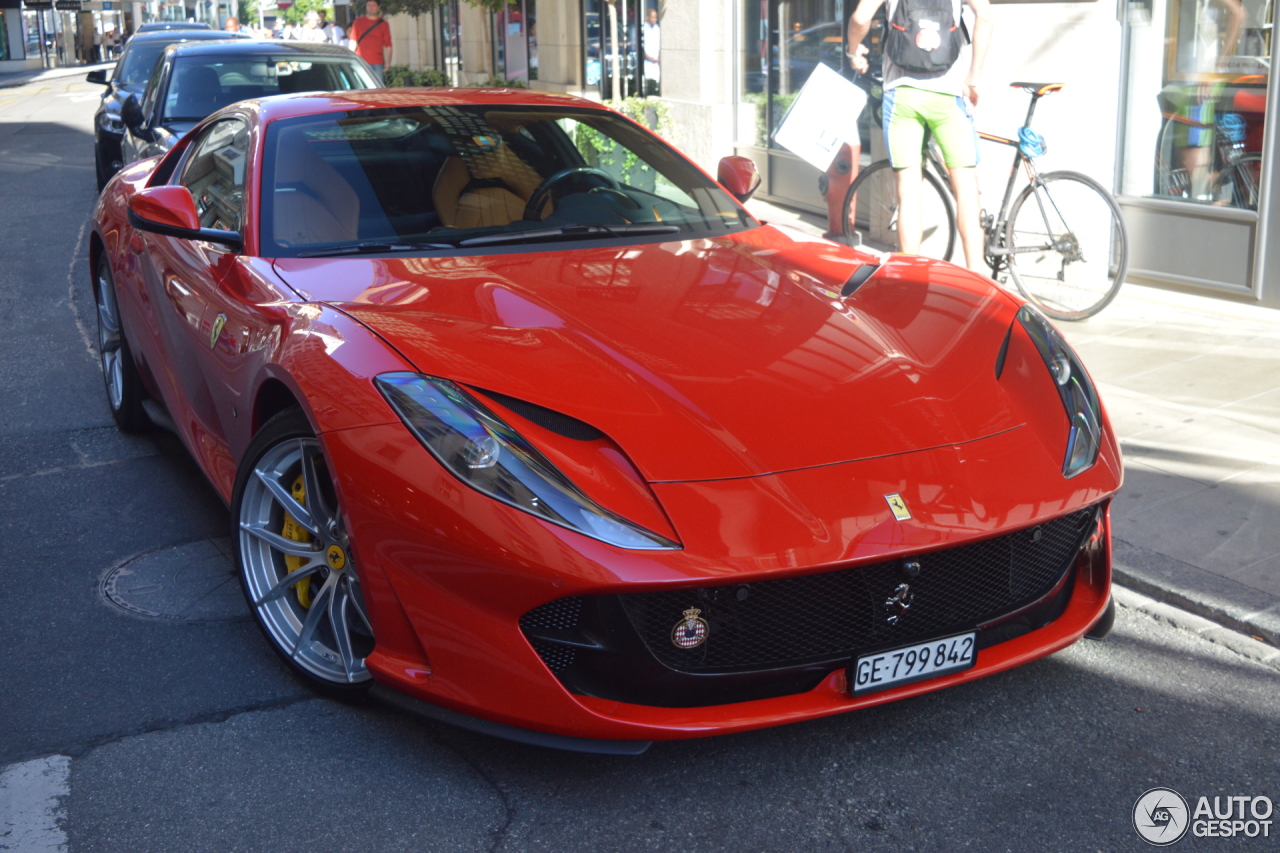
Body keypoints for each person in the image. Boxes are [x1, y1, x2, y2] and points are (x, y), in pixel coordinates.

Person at [847, 0, 993, 272]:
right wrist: (973, 78)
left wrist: (853, 51)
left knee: (909, 195)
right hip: (948, 96)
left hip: (902, 96)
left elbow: (859, 19)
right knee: (967, 194)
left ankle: (911, 278)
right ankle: (978, 279)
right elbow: (984, 15)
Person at [349, 0, 391, 85]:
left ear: (378, 7)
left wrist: (388, 61)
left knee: (378, 88)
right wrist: (350, 58)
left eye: (373, 5)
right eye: (369, 5)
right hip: (361, 62)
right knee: (361, 87)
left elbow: (388, 45)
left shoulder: (383, 24)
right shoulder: (358, 22)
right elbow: (353, 41)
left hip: (378, 63)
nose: (371, 7)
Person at [642, 7, 660, 96]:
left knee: (656, 82)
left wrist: (659, 57)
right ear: (647, 17)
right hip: (647, 61)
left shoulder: (657, 29)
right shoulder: (643, 29)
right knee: (647, 82)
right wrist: (649, 58)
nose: (654, 19)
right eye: (652, 17)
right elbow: (640, 47)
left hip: (656, 62)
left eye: (656, 17)